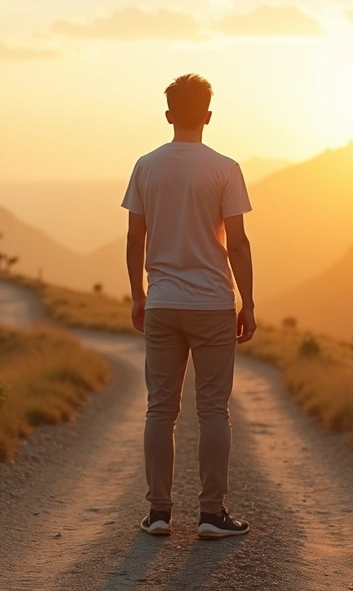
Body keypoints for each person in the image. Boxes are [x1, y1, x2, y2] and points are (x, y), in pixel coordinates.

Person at [122, 74, 256, 539]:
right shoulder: (225, 168)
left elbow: (135, 238)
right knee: (213, 411)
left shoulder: (146, 166)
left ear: (168, 115)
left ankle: (159, 513)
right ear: (208, 116)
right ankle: (211, 514)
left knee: (160, 410)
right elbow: (236, 243)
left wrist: (139, 295)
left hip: (162, 302)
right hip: (213, 303)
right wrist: (249, 302)